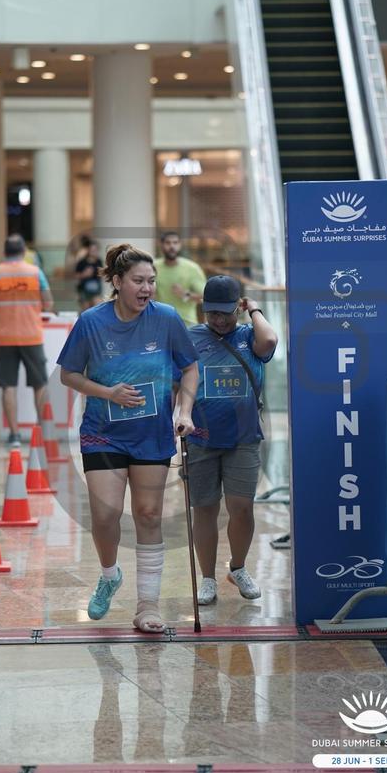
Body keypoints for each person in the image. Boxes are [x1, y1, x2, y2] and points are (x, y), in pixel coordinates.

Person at [58, 243, 198, 633]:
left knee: (148, 514)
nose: (147, 288)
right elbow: (69, 374)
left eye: (151, 281)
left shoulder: (167, 319)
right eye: (138, 281)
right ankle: (109, 575)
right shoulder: (91, 322)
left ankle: (147, 606)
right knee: (105, 515)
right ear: (117, 282)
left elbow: (190, 368)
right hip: (103, 433)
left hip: (151, 434)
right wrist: (108, 392)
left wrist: (184, 411)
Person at [185, 275, 278, 605]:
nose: (220, 320)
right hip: (200, 438)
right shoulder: (191, 337)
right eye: (212, 313)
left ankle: (237, 568)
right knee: (204, 509)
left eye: (226, 312)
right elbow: (177, 382)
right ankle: (207, 579)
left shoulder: (250, 336)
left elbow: (270, 340)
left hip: (243, 438)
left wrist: (255, 310)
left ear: (238, 307)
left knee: (241, 507)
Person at [0, 234, 53, 445]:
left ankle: (14, 435)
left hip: (4, 338)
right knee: (39, 384)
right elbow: (48, 302)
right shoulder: (35, 273)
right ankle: (42, 433)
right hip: (31, 336)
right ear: (23, 251)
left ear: (4, 252)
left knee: (7, 386)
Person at [154, 231, 206, 326]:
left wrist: (185, 294)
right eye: (168, 243)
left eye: (175, 242)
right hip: (161, 323)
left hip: (187, 324)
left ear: (180, 245)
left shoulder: (192, 268)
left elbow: (205, 296)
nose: (172, 246)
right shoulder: (153, 267)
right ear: (161, 245)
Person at [75, 240, 103, 310]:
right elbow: (76, 275)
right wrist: (84, 274)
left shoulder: (99, 261)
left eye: (95, 250)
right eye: (92, 250)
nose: (93, 252)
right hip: (84, 290)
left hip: (96, 290)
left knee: (96, 308)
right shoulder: (82, 262)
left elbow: (102, 275)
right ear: (88, 250)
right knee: (86, 310)